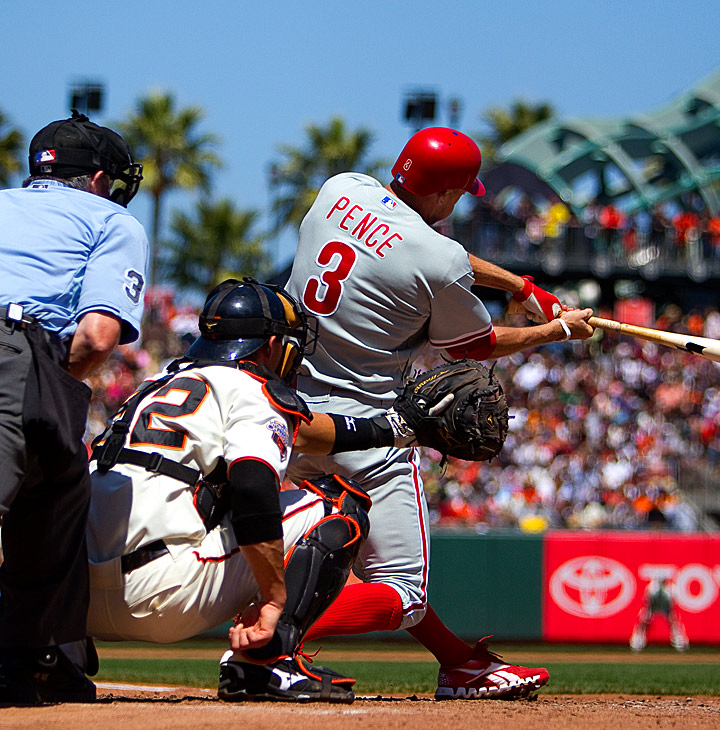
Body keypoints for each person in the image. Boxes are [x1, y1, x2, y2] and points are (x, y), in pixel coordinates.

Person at [284, 126, 593, 700]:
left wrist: (522, 285)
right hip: (366, 431)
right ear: (448, 194)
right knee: (403, 591)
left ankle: (461, 663)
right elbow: (472, 345)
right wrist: (554, 331)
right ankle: (267, 639)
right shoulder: (437, 258)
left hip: (286, 415)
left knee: (308, 552)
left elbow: (421, 249)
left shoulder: (340, 188)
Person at [84, 278, 431, 704]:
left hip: (73, 601)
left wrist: (391, 429)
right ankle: (268, 659)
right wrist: (273, 596)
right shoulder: (251, 388)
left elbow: (307, 432)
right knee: (339, 502)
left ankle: (48, 657)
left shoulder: (156, 385)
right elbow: (252, 483)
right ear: (269, 345)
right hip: (159, 595)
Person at [0, 111, 147, 706]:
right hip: (19, 354)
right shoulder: (110, 218)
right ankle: (35, 659)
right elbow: (97, 338)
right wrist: (45, 382)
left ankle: (39, 663)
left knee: (61, 487)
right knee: (53, 501)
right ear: (95, 179)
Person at [629, 577, 689, 653]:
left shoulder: (672, 589)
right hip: (653, 606)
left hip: (665, 607)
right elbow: (647, 603)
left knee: (674, 621)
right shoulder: (651, 588)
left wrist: (670, 613)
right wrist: (648, 615)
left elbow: (673, 604)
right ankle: (637, 641)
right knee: (643, 619)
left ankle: (680, 642)